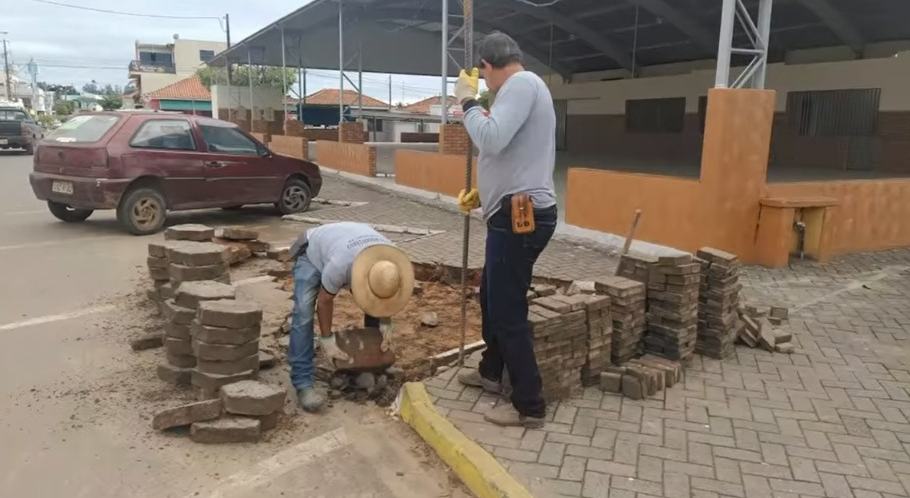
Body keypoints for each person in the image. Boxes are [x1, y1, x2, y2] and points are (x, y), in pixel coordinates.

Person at [452, 32, 558, 428]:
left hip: (519, 219)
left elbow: (492, 139)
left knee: (507, 310)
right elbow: (515, 155)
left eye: (483, 76)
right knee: (491, 297)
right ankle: (491, 371)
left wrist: (467, 101)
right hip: (510, 213)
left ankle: (529, 405)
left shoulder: (521, 84)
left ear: (487, 66)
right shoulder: (523, 88)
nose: (485, 83)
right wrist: (485, 195)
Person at [288, 221, 414, 412]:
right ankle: (303, 382)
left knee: (373, 303)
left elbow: (386, 296)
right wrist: (327, 339)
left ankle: (374, 362)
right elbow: (324, 301)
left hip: (346, 242)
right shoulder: (341, 266)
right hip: (313, 251)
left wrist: (385, 321)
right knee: (304, 312)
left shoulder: (392, 265)